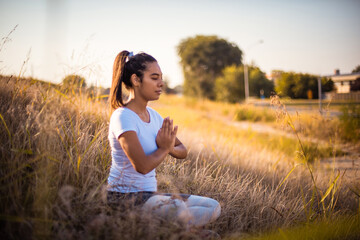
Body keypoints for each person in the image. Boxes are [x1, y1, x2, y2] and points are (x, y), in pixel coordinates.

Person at [107, 50, 221, 228]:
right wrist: (164, 149)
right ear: (136, 80)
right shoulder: (123, 117)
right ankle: (181, 233)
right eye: (154, 78)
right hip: (124, 198)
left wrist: (169, 147)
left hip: (150, 195)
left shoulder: (155, 116)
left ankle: (178, 231)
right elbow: (142, 167)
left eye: (161, 77)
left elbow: (182, 150)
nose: (161, 83)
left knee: (213, 206)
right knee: (179, 209)